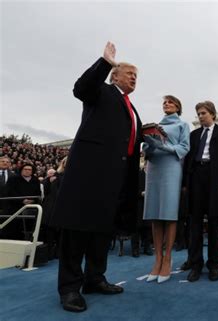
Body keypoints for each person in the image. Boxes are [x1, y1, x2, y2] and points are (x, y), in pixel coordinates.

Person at [49, 42, 143, 312]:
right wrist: (105, 62)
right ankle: (69, 288)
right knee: (76, 231)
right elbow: (81, 88)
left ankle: (94, 278)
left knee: (101, 232)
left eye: (137, 76)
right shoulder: (101, 90)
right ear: (114, 75)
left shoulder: (130, 107)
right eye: (129, 73)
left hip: (114, 180)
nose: (134, 78)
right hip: (87, 176)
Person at [142, 95, 190, 283]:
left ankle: (167, 259)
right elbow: (148, 150)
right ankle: (157, 260)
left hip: (171, 167)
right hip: (154, 168)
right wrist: (150, 146)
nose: (166, 104)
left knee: (169, 214)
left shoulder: (182, 125)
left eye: (171, 102)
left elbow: (184, 147)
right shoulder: (155, 125)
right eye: (164, 102)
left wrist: (165, 146)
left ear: (178, 106)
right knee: (154, 213)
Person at [184, 101, 218, 282]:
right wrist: (185, 183)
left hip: (214, 178)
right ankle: (195, 264)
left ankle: (214, 265)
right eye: (198, 114)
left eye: (203, 113)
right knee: (195, 223)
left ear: (212, 114)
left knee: (213, 223)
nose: (200, 116)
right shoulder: (194, 134)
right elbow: (188, 159)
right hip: (196, 176)